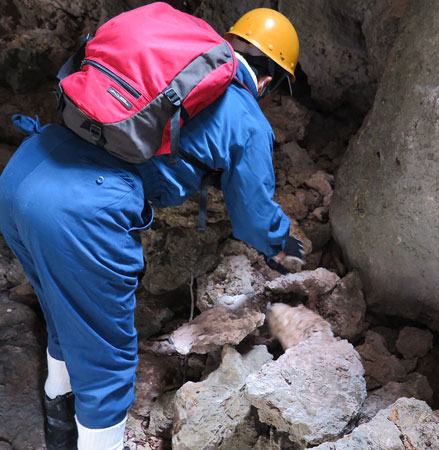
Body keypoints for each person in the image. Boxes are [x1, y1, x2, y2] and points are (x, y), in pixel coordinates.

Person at [0, 7, 304, 450]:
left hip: (24, 171)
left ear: (232, 42)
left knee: (66, 317)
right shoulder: (247, 117)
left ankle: (58, 427)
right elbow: (253, 217)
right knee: (106, 362)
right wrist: (281, 245)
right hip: (78, 213)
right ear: (269, 80)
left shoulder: (170, 59)